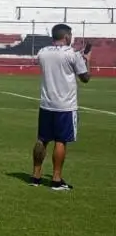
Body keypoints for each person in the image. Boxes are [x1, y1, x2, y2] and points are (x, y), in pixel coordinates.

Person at [31, 24, 91, 191]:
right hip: (65, 105)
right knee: (61, 140)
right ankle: (56, 180)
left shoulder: (42, 52)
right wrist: (88, 60)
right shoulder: (72, 54)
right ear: (66, 37)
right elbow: (85, 78)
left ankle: (35, 176)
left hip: (46, 103)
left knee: (42, 139)